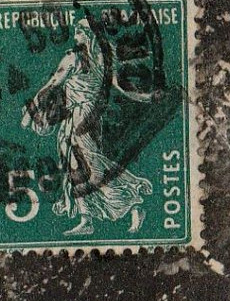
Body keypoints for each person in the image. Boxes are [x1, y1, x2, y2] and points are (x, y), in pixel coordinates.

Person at [23, 18, 156, 237]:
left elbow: (52, 84)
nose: (77, 34)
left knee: (90, 168)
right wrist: (144, 97)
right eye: (77, 30)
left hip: (82, 117)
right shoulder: (102, 58)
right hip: (87, 117)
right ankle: (87, 218)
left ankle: (132, 202)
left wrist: (32, 109)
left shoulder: (75, 57)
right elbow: (121, 86)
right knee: (76, 166)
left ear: (91, 34)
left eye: (81, 30)